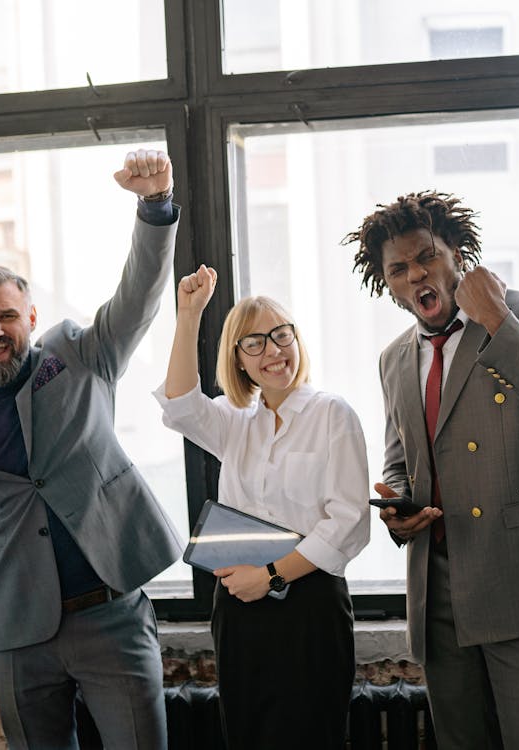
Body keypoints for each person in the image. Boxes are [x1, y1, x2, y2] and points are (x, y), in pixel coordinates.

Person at [0, 149, 182, 749]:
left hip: (112, 612)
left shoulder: (80, 355)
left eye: (7, 315)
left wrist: (155, 206)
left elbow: (137, 297)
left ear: (30, 316)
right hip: (16, 637)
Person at [343, 191, 519, 749]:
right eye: (399, 268)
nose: (416, 273)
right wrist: (399, 511)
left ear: (458, 254)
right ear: (386, 283)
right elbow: (403, 459)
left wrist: (498, 319)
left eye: (427, 257)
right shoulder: (394, 358)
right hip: (437, 591)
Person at [154, 267, 370, 749]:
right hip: (239, 606)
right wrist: (188, 315)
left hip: (309, 604)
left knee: (314, 734)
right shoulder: (236, 422)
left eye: (281, 335)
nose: (273, 351)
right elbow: (180, 405)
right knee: (248, 734)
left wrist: (271, 575)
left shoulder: (332, 413)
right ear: (239, 360)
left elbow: (348, 522)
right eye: (255, 343)